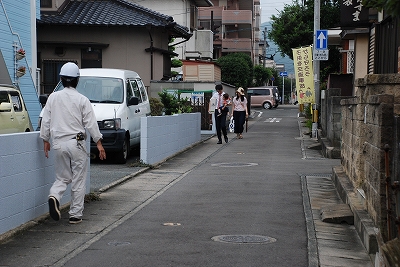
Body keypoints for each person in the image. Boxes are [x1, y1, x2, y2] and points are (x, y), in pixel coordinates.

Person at [40, 62, 106, 224]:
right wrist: (99, 143)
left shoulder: (53, 98)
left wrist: (45, 139)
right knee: (78, 179)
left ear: (61, 79)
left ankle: (54, 196)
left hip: (59, 143)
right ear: (77, 80)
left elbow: (46, 120)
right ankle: (75, 214)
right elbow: (91, 123)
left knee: (62, 177)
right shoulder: (82, 100)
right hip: (77, 143)